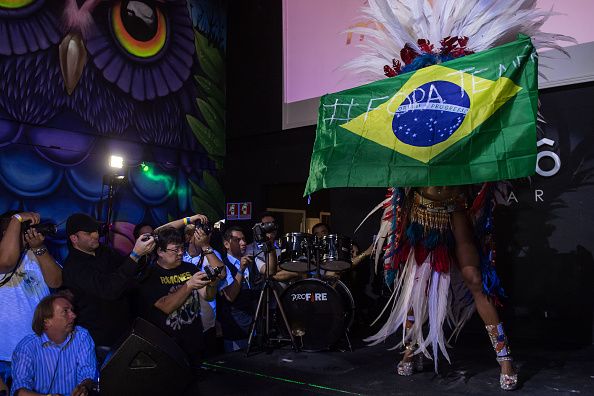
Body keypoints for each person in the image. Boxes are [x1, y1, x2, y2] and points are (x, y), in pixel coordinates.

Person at [62, 213, 155, 363]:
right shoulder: (74, 267)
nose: (95, 235)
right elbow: (109, 290)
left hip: (125, 330)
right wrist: (135, 255)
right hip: (100, 339)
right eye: (88, 233)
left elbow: (126, 271)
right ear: (74, 238)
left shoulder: (104, 251)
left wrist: (143, 255)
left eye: (96, 231)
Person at [136, 227, 217, 366]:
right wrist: (189, 285)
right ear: (160, 251)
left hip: (194, 342)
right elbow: (166, 306)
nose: (180, 253)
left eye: (182, 248)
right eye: (175, 250)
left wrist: (212, 284)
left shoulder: (190, 268)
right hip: (166, 346)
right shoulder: (150, 275)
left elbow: (208, 296)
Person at [0, 211, 62, 389]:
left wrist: (39, 248)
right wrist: (17, 219)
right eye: (21, 229)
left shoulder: (36, 255)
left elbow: (56, 281)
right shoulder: (2, 256)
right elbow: (6, 261)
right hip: (2, 353)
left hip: (35, 352)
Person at [11, 293, 97, 396]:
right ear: (47, 321)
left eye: (72, 310)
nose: (74, 315)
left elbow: (88, 374)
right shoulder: (27, 347)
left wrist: (84, 387)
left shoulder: (82, 336)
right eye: (65, 311)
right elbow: (19, 390)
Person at [217, 226, 271, 352]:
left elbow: (271, 272)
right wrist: (240, 270)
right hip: (236, 330)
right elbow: (230, 296)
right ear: (226, 244)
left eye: (244, 239)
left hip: (256, 327)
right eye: (237, 240)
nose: (243, 243)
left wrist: (270, 247)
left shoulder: (251, 260)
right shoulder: (222, 266)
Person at [183, 223, 232, 357]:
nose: (205, 236)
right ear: (188, 237)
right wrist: (188, 220)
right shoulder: (179, 254)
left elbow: (222, 274)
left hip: (206, 322)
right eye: (199, 233)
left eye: (207, 234)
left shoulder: (210, 253)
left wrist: (205, 246)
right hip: (183, 321)